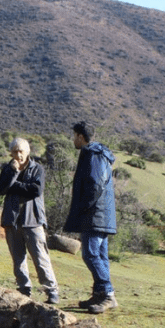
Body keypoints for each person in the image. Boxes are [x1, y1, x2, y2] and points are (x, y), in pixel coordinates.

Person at [0, 137, 60, 304]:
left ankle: (52, 291)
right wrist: (14, 173)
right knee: (18, 259)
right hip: (12, 220)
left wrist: (14, 185)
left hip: (33, 220)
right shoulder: (8, 169)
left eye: (21, 151)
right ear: (11, 152)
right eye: (15, 151)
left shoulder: (37, 169)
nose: (18, 155)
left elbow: (36, 190)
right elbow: (0, 189)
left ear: (28, 152)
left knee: (40, 257)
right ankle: (24, 289)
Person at [63, 121, 118, 314]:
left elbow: (95, 184)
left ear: (80, 136)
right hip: (102, 215)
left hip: (95, 215)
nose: (73, 139)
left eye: (74, 135)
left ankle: (108, 294)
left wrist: (83, 208)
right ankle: (99, 294)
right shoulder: (100, 154)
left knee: (90, 254)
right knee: (100, 255)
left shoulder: (92, 154)